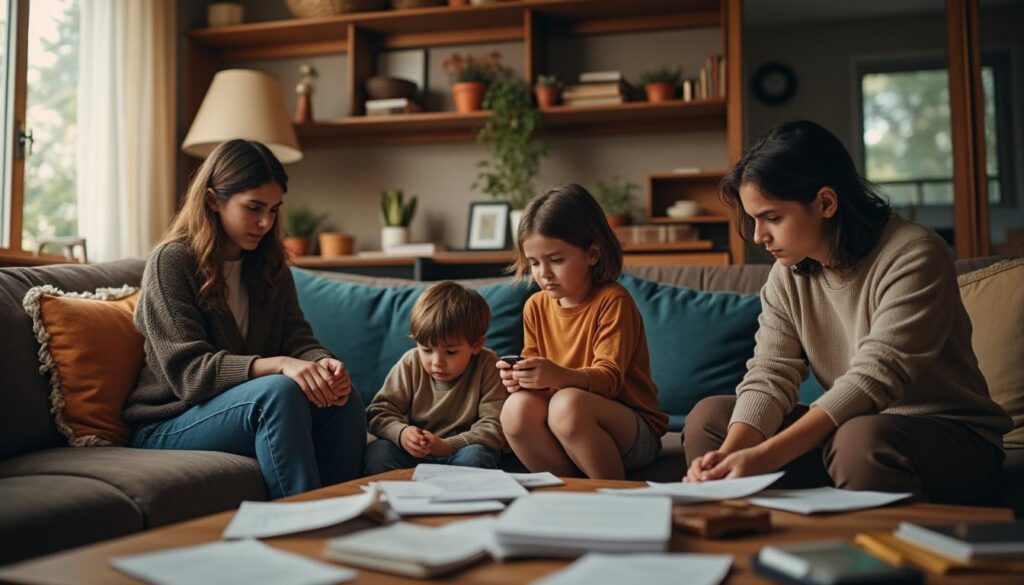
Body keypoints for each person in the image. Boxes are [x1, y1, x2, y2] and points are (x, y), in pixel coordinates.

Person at [683, 120, 1011, 504]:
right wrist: (734, 454)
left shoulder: (914, 254)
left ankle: (874, 560)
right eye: (754, 219)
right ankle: (743, 543)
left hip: (949, 439)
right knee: (712, 419)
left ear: (825, 202)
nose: (758, 236)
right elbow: (770, 372)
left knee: (859, 440)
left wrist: (764, 457)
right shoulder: (787, 274)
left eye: (771, 218)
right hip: (850, 434)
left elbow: (873, 377)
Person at [124, 139, 366, 499]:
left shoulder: (270, 267)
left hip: (237, 412)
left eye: (273, 209)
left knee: (343, 399)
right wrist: (280, 365)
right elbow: (190, 376)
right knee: (278, 393)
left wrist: (322, 364)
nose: (265, 222)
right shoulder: (171, 264)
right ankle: (305, 525)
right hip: (169, 422)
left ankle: (347, 513)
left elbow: (296, 338)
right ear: (212, 200)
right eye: (254, 208)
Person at [498, 184, 668, 480]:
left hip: (632, 431)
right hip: (564, 427)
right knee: (515, 409)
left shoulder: (612, 301)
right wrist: (521, 379)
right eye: (534, 262)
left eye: (557, 260)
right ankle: (569, 493)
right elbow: (539, 383)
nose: (543, 273)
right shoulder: (535, 306)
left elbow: (610, 380)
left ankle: (615, 497)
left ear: (592, 254)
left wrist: (557, 375)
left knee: (568, 403)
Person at [364, 281, 508, 474]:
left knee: (476, 457)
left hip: (462, 449)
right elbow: (379, 412)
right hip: (414, 451)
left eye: (450, 352)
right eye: (426, 350)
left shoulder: (488, 364)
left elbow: (495, 425)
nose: (437, 362)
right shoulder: (410, 363)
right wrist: (402, 433)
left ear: (476, 344)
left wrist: (448, 445)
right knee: (379, 453)